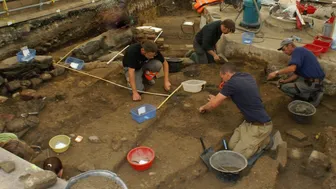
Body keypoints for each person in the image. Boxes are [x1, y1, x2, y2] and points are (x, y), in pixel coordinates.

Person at [199, 64, 272, 159]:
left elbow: (213, 105)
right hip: (248, 123)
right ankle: (254, 140)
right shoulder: (247, 76)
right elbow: (238, 91)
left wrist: (203, 107)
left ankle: (264, 142)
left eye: (222, 77)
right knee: (231, 146)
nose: (222, 81)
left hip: (260, 126)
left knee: (237, 156)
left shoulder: (231, 83)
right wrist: (217, 98)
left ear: (226, 74)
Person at [267, 38, 325, 107]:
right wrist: (285, 81)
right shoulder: (301, 51)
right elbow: (296, 74)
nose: (284, 52)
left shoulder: (297, 51)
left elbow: (292, 68)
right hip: (317, 81)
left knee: (285, 88)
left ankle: (310, 97)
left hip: (313, 82)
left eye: (284, 49)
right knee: (290, 79)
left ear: (290, 45)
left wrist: (276, 73)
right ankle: (313, 91)